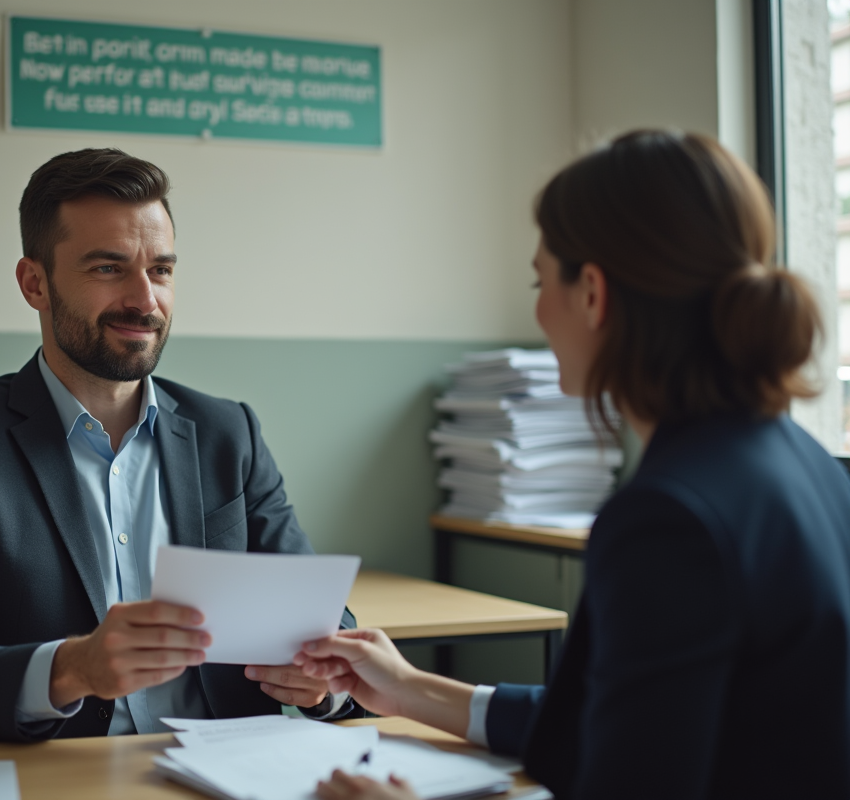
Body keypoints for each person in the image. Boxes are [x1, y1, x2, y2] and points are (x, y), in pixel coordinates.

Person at [297, 130, 850, 799]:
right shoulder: (807, 465)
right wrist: (414, 690)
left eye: (540, 279)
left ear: (593, 293)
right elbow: (629, 722)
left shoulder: (669, 516)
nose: (537, 306)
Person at [0, 148, 360, 746]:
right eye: (108, 268)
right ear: (34, 283)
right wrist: (70, 669)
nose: (144, 300)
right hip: (55, 779)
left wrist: (324, 686)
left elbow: (324, 626)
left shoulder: (230, 435)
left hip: (223, 776)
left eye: (161, 270)